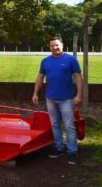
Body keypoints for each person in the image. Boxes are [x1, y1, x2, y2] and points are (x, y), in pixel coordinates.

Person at [32, 36, 83, 165]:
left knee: (69, 126)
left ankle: (72, 152)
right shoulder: (45, 61)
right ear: (49, 47)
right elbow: (39, 78)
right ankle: (59, 148)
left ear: (62, 45)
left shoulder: (71, 60)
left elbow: (78, 78)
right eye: (52, 46)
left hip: (67, 99)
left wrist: (79, 95)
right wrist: (35, 93)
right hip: (50, 99)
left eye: (56, 45)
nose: (54, 47)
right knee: (55, 125)